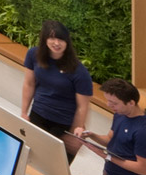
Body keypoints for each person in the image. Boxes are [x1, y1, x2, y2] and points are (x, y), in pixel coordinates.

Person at [21, 19, 93, 158]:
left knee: (52, 163)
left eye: (61, 39)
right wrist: (24, 112)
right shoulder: (34, 55)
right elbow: (29, 84)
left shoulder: (79, 72)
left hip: (63, 123)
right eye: (52, 38)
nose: (57, 43)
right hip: (38, 113)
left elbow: (82, 107)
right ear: (45, 39)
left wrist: (74, 134)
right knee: (29, 158)